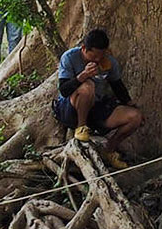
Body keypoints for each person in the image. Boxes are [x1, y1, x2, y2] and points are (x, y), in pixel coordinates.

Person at [54, 28, 144, 167]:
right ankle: (81, 129)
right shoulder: (70, 57)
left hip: (97, 108)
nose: (97, 60)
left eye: (101, 56)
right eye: (94, 56)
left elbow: (117, 85)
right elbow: (64, 90)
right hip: (71, 109)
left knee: (135, 117)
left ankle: (109, 150)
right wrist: (83, 75)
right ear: (84, 48)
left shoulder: (109, 62)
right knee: (87, 86)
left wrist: (130, 103)